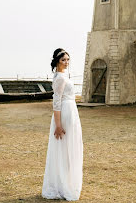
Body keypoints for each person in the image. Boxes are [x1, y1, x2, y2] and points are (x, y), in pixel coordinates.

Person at [42, 48, 83, 201]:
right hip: (64, 113)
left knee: (70, 147)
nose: (66, 63)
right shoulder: (59, 78)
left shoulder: (63, 76)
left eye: (67, 60)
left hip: (71, 111)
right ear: (57, 62)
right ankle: (61, 185)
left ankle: (67, 182)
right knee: (64, 148)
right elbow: (56, 103)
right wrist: (58, 125)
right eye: (63, 60)